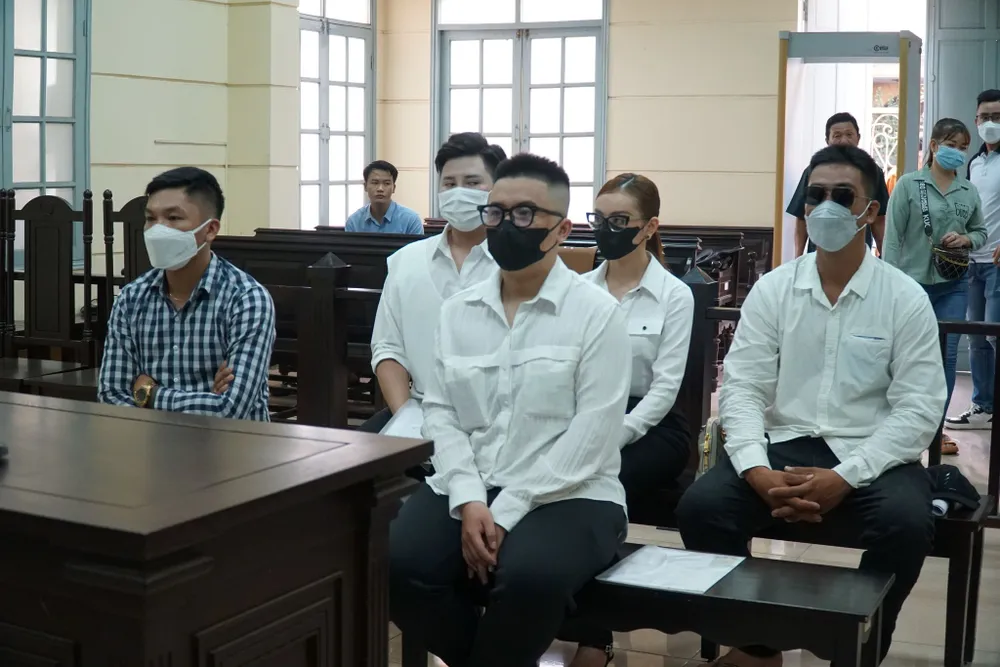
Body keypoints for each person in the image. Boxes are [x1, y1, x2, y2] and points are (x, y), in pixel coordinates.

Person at [678, 145, 944, 667]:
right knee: (702, 509)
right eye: (816, 195)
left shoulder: (904, 298)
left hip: (870, 453)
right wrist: (755, 470)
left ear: (870, 210)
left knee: (907, 525)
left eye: (843, 196)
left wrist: (845, 477)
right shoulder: (774, 290)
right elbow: (743, 388)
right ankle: (756, 647)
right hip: (784, 443)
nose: (826, 207)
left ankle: (859, 649)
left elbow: (918, 409)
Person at [389, 154, 630, 667]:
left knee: (529, 579)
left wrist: (505, 510)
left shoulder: (597, 314)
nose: (505, 225)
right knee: (398, 566)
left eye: (524, 214)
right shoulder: (459, 311)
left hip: (571, 492)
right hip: (470, 481)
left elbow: (592, 434)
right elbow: (441, 411)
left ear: (561, 229)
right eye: (495, 213)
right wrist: (470, 498)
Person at [563, 173, 695, 667]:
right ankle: (550, 608)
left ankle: (594, 636)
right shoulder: (579, 289)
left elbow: (664, 388)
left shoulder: (673, 295)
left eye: (620, 221)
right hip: (586, 415)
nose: (606, 230)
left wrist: (614, 435)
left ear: (649, 227)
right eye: (599, 219)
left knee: (595, 486)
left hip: (650, 426)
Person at [98, 167, 276, 420]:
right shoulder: (131, 298)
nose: (158, 230)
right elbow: (111, 395)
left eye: (173, 218)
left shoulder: (246, 299)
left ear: (210, 229)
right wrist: (205, 397)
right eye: (150, 218)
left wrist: (149, 394)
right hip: (151, 441)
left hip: (231, 442)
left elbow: (231, 408)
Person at [362, 133, 506, 433]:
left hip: (500, 422)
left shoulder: (516, 265)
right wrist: (406, 418)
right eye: (449, 184)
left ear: (498, 189)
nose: (459, 192)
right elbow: (387, 348)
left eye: (472, 182)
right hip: (420, 412)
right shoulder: (406, 262)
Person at [884, 118, 986, 455]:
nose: (957, 152)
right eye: (951, 145)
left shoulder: (968, 190)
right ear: (933, 146)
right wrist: (890, 283)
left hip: (953, 285)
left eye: (962, 147)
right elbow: (893, 238)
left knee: (947, 356)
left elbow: (980, 232)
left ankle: (935, 431)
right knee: (908, 356)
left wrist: (966, 239)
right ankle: (901, 429)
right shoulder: (909, 185)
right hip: (911, 285)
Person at [947, 90, 1000, 431]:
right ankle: (983, 406)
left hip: (997, 264)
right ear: (976, 120)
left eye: (997, 116)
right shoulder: (975, 162)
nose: (990, 123)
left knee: (996, 336)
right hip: (972, 262)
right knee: (977, 338)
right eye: (985, 117)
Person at [787, 112, 890, 257]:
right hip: (818, 251)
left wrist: (883, 254)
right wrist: (797, 256)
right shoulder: (813, 171)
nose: (844, 141)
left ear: (858, 138)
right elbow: (801, 216)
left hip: (857, 250)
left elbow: (879, 219)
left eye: (849, 135)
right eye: (837, 136)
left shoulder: (872, 172)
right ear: (827, 140)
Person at [344, 160, 423, 234]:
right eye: (375, 183)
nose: (380, 189)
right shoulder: (354, 222)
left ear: (394, 188)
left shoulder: (411, 220)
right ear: (365, 186)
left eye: (386, 183)